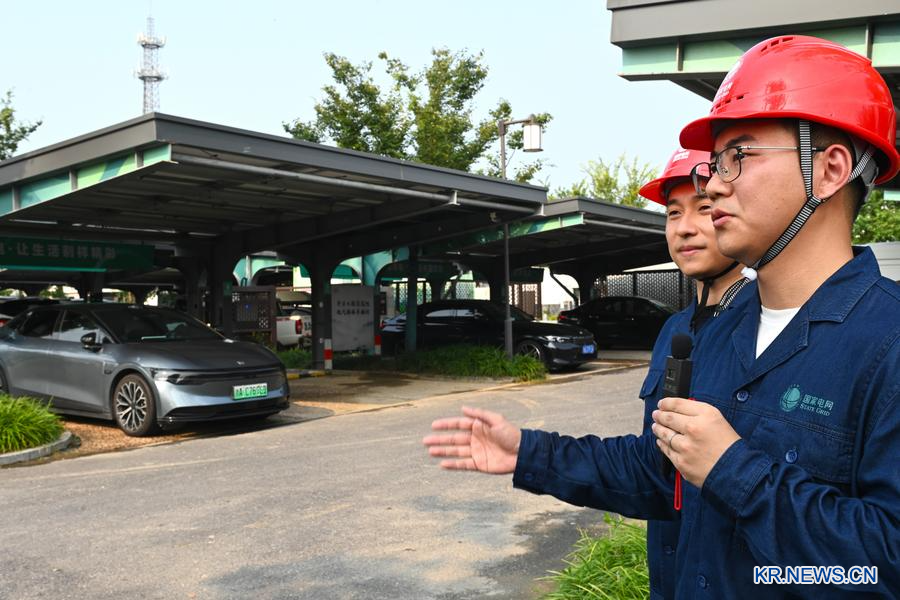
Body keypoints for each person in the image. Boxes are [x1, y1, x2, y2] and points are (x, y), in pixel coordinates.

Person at [425, 35, 900, 598]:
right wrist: (529, 452)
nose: (714, 183)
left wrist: (735, 472)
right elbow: (661, 474)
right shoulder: (719, 330)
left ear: (830, 169)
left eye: (738, 156)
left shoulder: (888, 343)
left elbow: (885, 565)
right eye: (714, 165)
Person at [426, 145, 748, 600]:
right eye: (673, 213)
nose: (684, 228)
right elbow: (653, 470)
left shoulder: (767, 326)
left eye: (704, 208)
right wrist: (527, 452)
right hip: (672, 577)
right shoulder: (675, 330)